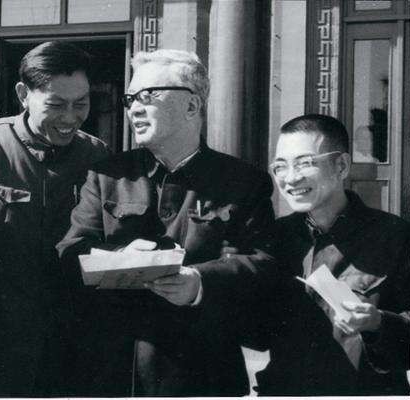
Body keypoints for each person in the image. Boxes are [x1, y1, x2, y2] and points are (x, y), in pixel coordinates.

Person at [56, 49, 276, 396]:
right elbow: (71, 251)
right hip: (113, 372)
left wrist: (199, 283)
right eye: (130, 99)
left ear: (192, 105)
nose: (134, 108)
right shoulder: (107, 175)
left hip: (200, 373)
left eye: (148, 96)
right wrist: (117, 259)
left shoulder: (243, 182)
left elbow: (263, 263)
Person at [0, 41, 110, 397]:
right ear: (23, 94)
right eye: (56, 105)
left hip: (69, 344)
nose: (70, 118)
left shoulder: (96, 155)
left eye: (81, 104)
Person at [254, 114, 410, 396]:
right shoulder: (274, 239)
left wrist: (377, 322)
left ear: (341, 166)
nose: (291, 178)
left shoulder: (395, 235)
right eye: (280, 166)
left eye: (305, 163)